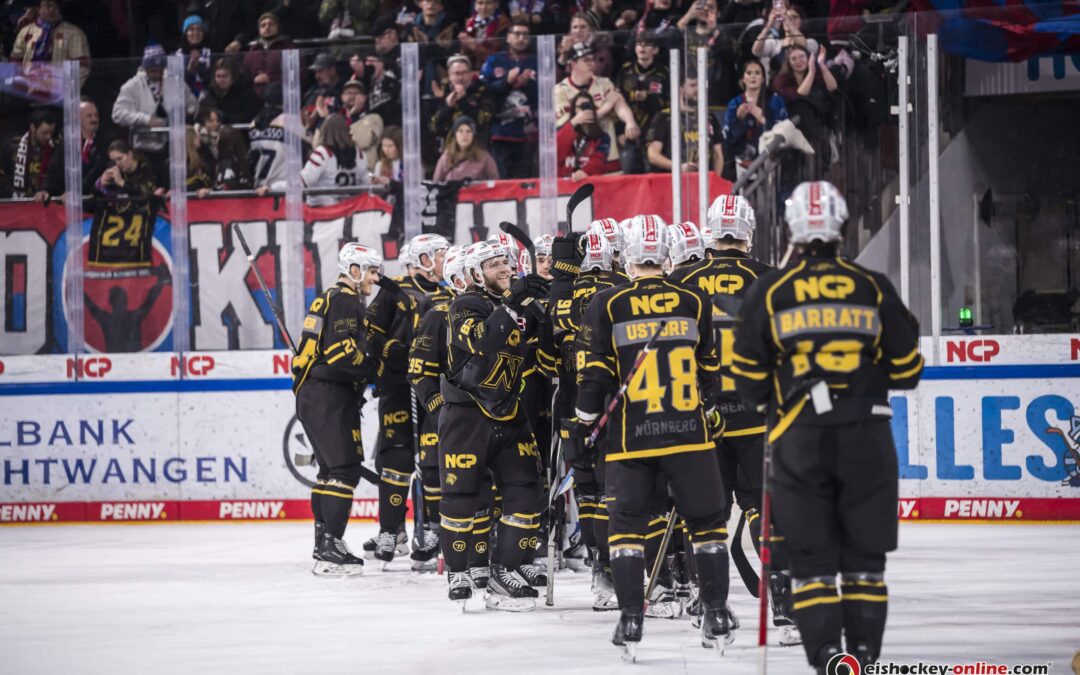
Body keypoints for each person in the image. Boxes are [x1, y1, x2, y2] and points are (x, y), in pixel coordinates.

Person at [731, 181, 924, 670]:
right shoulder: (873, 286)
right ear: (840, 228)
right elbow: (907, 371)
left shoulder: (770, 291)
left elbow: (747, 383)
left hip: (800, 440)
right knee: (864, 563)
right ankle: (862, 654)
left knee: (812, 563)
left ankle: (827, 657)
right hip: (867, 435)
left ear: (792, 229)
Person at [564, 214, 732, 653]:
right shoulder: (693, 300)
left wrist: (584, 423)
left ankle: (632, 620)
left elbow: (595, 377)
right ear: (665, 256)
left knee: (626, 530)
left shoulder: (608, 302)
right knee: (708, 526)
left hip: (629, 437)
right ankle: (715, 613)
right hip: (688, 434)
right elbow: (709, 372)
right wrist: (709, 411)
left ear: (628, 256)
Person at [667, 196, 792, 640]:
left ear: (710, 232)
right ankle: (784, 605)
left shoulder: (682, 280)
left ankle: (708, 600)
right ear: (748, 232)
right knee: (764, 508)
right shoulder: (771, 279)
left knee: (706, 514)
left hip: (703, 416)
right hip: (758, 414)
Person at [437, 240, 550, 610]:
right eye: (493, 265)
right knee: (462, 496)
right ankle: (458, 570)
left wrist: (554, 296)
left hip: (509, 410)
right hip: (466, 416)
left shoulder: (515, 305)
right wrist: (513, 304)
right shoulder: (463, 305)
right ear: (473, 274)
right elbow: (484, 340)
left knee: (526, 490)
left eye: (505, 261)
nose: (504, 268)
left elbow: (544, 343)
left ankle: (505, 571)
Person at [292, 242, 384, 577]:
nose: (374, 278)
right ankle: (330, 543)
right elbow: (342, 354)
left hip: (314, 392)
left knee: (330, 472)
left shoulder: (329, 297)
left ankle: (325, 544)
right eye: (371, 271)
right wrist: (374, 368)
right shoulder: (346, 299)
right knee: (344, 470)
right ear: (355, 270)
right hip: (328, 392)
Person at [361, 233, 453, 567]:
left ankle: (432, 530)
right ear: (424, 259)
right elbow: (367, 332)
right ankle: (391, 531)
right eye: (441, 254)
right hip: (398, 387)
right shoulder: (394, 290)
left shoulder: (450, 290)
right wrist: (388, 350)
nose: (447, 258)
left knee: (432, 460)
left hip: (433, 388)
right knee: (396, 459)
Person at [554, 43, 640, 169]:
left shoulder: (604, 83)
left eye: (593, 59)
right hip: (575, 158)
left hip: (607, 154)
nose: (592, 63)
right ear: (573, 63)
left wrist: (630, 121)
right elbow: (576, 122)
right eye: (586, 60)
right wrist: (606, 107)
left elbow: (620, 104)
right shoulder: (560, 91)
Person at [112, 43, 198, 156]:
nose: (158, 72)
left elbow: (193, 105)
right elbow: (117, 114)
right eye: (153, 70)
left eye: (160, 68)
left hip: (174, 147)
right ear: (146, 68)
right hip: (143, 147)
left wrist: (184, 116)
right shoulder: (132, 86)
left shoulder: (175, 82)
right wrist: (145, 119)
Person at [480, 17, 537, 179]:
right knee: (502, 181)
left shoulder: (536, 61)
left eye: (525, 35)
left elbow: (544, 94)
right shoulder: (494, 60)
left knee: (525, 181)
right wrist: (506, 81)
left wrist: (527, 84)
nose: (521, 38)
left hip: (527, 133)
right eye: (517, 34)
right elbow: (485, 91)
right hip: (500, 133)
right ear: (508, 37)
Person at [268, 114, 367, 205]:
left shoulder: (323, 154)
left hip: (322, 214)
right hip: (350, 214)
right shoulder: (360, 155)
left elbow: (303, 182)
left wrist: (272, 187)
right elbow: (365, 185)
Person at [772, 46, 838, 175]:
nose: (798, 61)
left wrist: (821, 65)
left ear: (808, 58)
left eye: (802, 57)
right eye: (794, 59)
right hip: (795, 130)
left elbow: (833, 87)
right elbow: (800, 94)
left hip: (817, 128)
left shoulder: (817, 76)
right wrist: (811, 72)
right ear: (789, 63)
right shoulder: (782, 79)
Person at [645, 74, 724, 177]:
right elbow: (652, 155)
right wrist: (678, 167)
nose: (698, 89)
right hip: (672, 183)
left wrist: (715, 181)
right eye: (693, 85)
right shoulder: (664, 117)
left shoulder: (710, 117)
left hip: (704, 183)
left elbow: (718, 155)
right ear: (680, 89)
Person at [722, 60, 788, 180]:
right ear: (743, 79)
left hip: (769, 159)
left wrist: (763, 119)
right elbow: (728, 138)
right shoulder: (734, 103)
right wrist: (739, 120)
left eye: (757, 73)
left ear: (763, 79)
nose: (753, 76)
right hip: (740, 161)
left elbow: (784, 133)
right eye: (749, 73)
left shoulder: (776, 100)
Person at [614, 31, 668, 174]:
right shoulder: (626, 70)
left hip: (655, 133)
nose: (642, 48)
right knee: (630, 171)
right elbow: (616, 100)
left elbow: (669, 104)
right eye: (639, 44)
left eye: (647, 45)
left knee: (654, 173)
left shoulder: (664, 73)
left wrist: (649, 98)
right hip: (630, 132)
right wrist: (620, 131)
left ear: (655, 50)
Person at [42, 97, 109, 200]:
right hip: (67, 201)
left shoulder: (104, 142)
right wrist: (46, 190)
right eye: (89, 116)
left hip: (93, 201)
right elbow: (54, 170)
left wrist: (76, 192)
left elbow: (97, 171)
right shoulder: (67, 143)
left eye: (96, 115)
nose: (94, 119)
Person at [10, 0, 90, 87]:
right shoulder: (25, 32)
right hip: (30, 89)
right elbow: (15, 62)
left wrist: (65, 88)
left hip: (63, 89)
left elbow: (82, 66)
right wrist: (22, 84)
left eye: (55, 6)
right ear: (38, 9)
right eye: (47, 5)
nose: (52, 9)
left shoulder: (74, 32)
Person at [430, 53, 495, 155]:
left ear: (470, 74)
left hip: (477, 150)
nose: (461, 77)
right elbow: (434, 127)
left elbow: (484, 121)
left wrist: (463, 100)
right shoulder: (444, 93)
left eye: (464, 73)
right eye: (456, 73)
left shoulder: (482, 91)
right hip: (450, 151)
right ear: (449, 75)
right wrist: (448, 107)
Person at [557, 92, 620, 179]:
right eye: (580, 107)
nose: (584, 110)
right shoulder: (563, 130)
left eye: (588, 106)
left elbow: (599, 161)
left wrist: (585, 172)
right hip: (564, 182)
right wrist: (573, 122)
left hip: (588, 182)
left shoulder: (603, 137)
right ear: (574, 110)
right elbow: (556, 152)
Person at [1, 106, 55, 200]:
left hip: (43, 204)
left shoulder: (55, 150)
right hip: (15, 204)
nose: (48, 137)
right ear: (33, 128)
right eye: (44, 133)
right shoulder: (12, 147)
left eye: (51, 133)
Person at [432, 115, 499, 182]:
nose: (464, 135)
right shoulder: (447, 157)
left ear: (473, 135)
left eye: (468, 131)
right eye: (460, 131)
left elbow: (495, 182)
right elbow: (437, 182)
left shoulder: (484, 157)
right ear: (455, 135)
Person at [94, 139, 166, 199]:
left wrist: (121, 182)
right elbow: (95, 197)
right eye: (114, 160)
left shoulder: (146, 167)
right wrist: (101, 184)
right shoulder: (114, 167)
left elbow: (143, 194)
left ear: (130, 155)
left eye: (120, 158)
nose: (117, 163)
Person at [204, 58, 261, 126]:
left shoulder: (246, 92)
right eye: (218, 76)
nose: (221, 80)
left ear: (233, 76)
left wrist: (223, 118)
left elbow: (247, 117)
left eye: (224, 76)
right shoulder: (212, 92)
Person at [242, 11, 292, 86]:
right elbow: (244, 75)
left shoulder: (288, 47)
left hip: (279, 92)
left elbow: (296, 74)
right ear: (259, 30)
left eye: (271, 24)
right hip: (255, 94)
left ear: (277, 28)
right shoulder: (252, 50)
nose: (267, 27)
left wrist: (271, 78)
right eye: (263, 25)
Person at [176, 15, 212, 99]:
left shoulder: (211, 52)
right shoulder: (177, 55)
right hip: (184, 99)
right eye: (191, 29)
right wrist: (189, 71)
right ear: (185, 33)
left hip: (207, 98)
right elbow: (174, 83)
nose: (195, 33)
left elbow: (214, 80)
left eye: (199, 29)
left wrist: (199, 67)